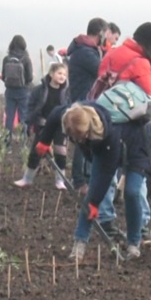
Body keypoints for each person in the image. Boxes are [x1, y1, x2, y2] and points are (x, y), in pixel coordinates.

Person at [36, 98, 151, 262]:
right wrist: (44, 141)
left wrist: (95, 203)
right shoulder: (74, 114)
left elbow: (106, 174)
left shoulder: (109, 136)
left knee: (132, 192)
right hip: (112, 145)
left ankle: (133, 243)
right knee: (90, 197)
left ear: (88, 131)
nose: (77, 142)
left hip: (140, 147)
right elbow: (54, 114)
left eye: (80, 138)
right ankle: (79, 243)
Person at [90, 22, 151, 250]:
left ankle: (105, 219)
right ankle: (140, 225)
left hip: (104, 123)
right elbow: (149, 103)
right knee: (136, 176)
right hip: (132, 129)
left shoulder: (112, 54)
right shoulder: (141, 63)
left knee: (106, 172)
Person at [63, 17, 108, 192]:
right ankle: (79, 181)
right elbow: (102, 72)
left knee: (86, 139)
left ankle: (84, 179)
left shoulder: (83, 50)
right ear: (100, 33)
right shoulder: (86, 53)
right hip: (84, 99)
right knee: (83, 140)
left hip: (84, 98)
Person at [14, 62, 70, 189]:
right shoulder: (39, 90)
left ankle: (60, 180)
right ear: (51, 74)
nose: (62, 76)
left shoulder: (67, 92)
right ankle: (27, 179)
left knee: (61, 152)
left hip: (60, 125)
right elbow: (31, 105)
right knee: (36, 151)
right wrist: (30, 120)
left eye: (64, 74)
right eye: (59, 73)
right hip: (43, 124)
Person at [0, 35, 35, 145]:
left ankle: (7, 144)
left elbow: (4, 76)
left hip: (10, 92)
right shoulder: (26, 59)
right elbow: (30, 78)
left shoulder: (6, 59)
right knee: (23, 118)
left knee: (9, 117)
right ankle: (23, 144)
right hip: (24, 91)